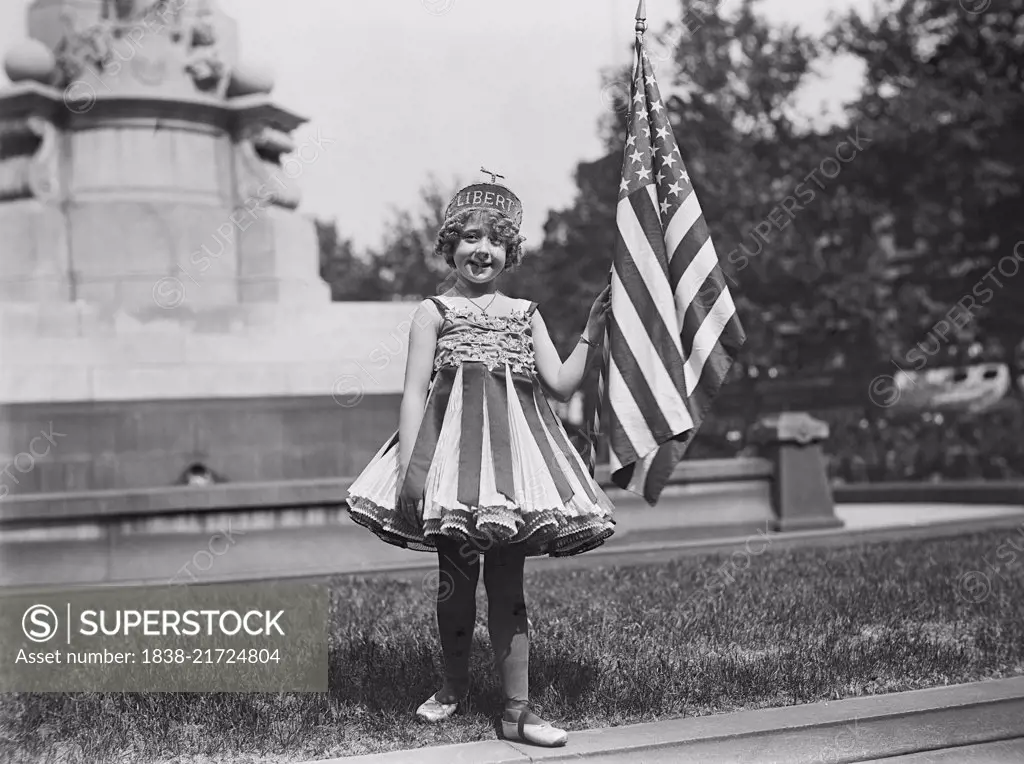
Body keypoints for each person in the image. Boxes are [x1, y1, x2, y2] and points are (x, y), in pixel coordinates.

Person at [346, 174, 616, 748]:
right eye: (469, 238)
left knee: (508, 581)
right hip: (448, 463)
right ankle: (452, 686)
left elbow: (562, 384)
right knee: (455, 580)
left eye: (494, 240)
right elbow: (414, 389)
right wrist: (413, 470)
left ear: (510, 251)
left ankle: (518, 708)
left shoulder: (526, 313)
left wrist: (592, 332)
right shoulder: (434, 310)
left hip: (513, 468)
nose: (481, 250)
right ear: (450, 245)